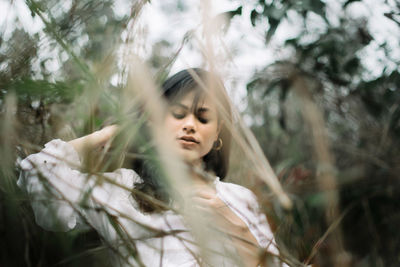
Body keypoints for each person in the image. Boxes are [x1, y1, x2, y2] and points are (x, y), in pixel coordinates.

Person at [18, 69, 281, 266]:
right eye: (178, 114)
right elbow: (39, 173)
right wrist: (105, 134)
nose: (190, 125)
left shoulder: (240, 199)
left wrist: (234, 224)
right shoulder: (121, 190)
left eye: (203, 117)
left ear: (217, 133)